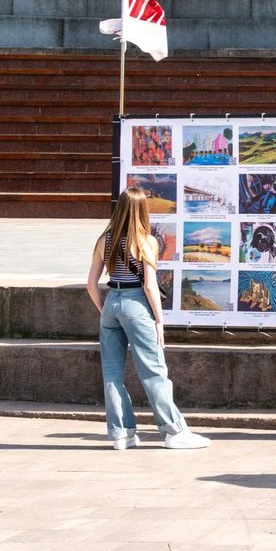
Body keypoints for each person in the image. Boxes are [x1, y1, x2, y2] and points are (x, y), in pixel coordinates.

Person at [84, 186, 209, 451]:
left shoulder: (103, 240)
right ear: (142, 210)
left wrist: (105, 309)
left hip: (111, 303)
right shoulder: (146, 241)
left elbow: (91, 285)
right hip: (136, 304)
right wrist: (159, 321)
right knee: (154, 370)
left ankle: (121, 434)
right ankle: (174, 430)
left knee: (112, 374)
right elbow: (150, 287)